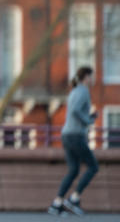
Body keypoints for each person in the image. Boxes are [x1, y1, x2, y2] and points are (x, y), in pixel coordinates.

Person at [48, 66, 99, 216]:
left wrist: (89, 118)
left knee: (74, 169)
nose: (94, 79)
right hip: (76, 135)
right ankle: (74, 199)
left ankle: (56, 204)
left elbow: (74, 111)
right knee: (93, 167)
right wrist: (88, 121)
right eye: (93, 76)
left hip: (67, 134)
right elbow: (76, 111)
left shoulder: (74, 91)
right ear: (87, 77)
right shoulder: (83, 91)